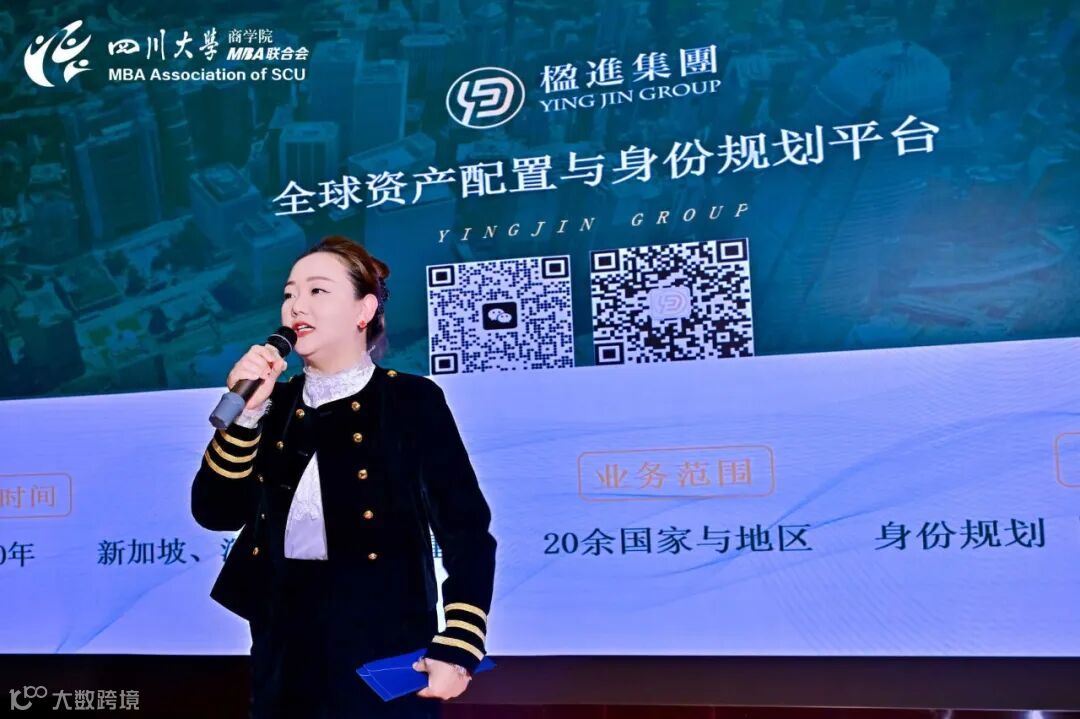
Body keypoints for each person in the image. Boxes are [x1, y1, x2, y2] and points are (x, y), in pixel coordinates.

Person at [190, 235, 497, 718]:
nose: (296, 306)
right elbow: (215, 513)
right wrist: (246, 417)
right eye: (289, 293)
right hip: (283, 646)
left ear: (363, 310)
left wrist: (459, 643)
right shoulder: (274, 405)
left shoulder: (411, 400)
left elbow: (466, 529)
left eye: (317, 290)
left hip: (384, 640)